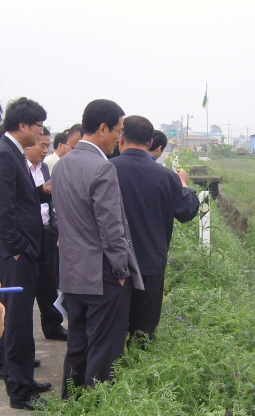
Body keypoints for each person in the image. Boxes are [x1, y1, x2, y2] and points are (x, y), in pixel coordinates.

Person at [51, 99, 143, 399]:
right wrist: (120, 270)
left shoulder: (62, 165)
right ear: (102, 128)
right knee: (104, 350)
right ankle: (95, 406)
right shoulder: (102, 168)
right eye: (118, 130)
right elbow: (111, 227)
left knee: (77, 345)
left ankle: (71, 402)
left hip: (72, 272)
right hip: (103, 275)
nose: (119, 137)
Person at [110, 116, 199, 347]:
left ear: (121, 139)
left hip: (111, 265)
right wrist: (184, 185)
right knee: (143, 334)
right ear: (150, 141)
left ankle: (109, 377)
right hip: (150, 265)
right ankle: (140, 374)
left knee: (111, 333)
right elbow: (187, 212)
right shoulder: (165, 176)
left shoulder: (107, 170)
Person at [0, 97, 52, 410]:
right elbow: (3, 208)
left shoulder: (15, 154)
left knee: (23, 321)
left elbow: (18, 198)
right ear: (22, 126)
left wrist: (39, 192)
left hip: (25, 252)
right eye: (38, 126)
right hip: (15, 255)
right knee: (17, 323)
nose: (41, 133)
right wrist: (17, 248)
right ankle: (19, 392)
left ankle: (26, 380)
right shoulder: (5, 155)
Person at [25, 128, 67, 341]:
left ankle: (53, 326)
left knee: (48, 283)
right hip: (26, 235)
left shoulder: (44, 169)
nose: (45, 150)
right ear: (27, 144)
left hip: (46, 231)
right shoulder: (18, 168)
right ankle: (19, 343)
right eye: (41, 145)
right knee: (25, 289)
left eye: (46, 145)